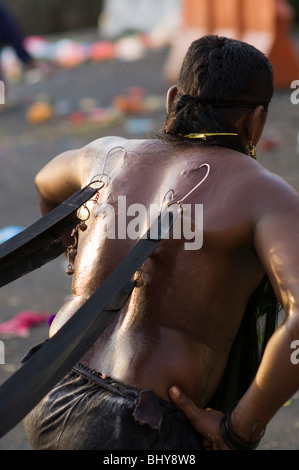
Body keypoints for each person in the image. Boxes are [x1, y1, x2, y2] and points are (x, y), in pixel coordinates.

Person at [23, 35, 299, 450]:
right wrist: (239, 429)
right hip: (135, 426)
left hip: (44, 389)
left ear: (173, 99)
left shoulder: (106, 154)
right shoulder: (265, 194)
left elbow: (45, 181)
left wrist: (77, 255)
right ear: (254, 120)